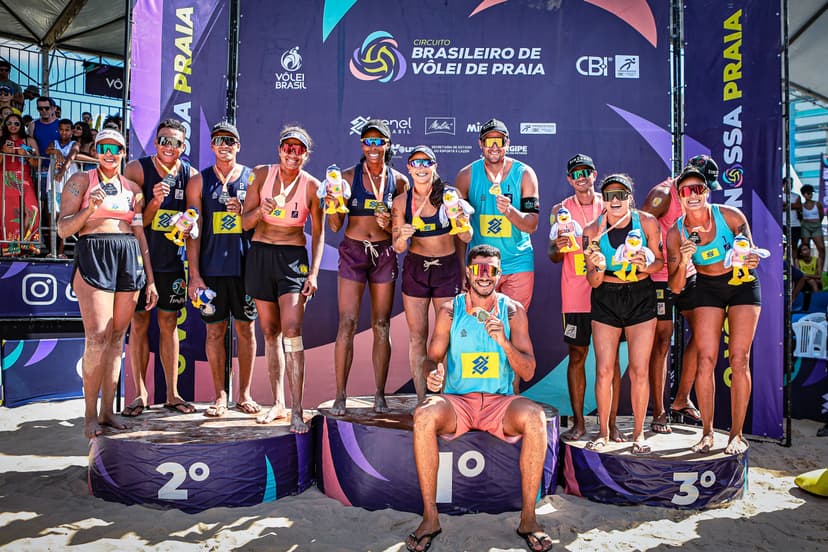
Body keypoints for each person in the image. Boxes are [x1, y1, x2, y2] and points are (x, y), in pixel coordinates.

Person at [405, 244, 552, 552]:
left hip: (499, 403)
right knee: (424, 414)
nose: (485, 276)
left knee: (536, 417)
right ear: (469, 273)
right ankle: (430, 517)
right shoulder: (450, 309)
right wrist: (435, 372)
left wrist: (505, 342)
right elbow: (432, 358)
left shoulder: (513, 311)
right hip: (458, 402)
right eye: (479, 270)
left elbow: (527, 370)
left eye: (492, 271)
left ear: (500, 276)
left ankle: (528, 518)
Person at [56, 128, 157, 438]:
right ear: (96, 150)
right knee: (97, 337)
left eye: (115, 148)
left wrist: (150, 279)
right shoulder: (81, 181)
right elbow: (62, 229)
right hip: (94, 252)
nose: (109, 153)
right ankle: (89, 415)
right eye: (104, 147)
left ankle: (107, 412)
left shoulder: (133, 188)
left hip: (128, 256)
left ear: (123, 152)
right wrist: (89, 208)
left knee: (116, 339)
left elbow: (140, 233)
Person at [667, 166, 766, 455]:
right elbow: (674, 287)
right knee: (706, 360)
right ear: (679, 197)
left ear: (707, 191)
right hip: (706, 287)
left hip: (741, 286)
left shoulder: (731, 217)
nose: (693, 195)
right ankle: (707, 433)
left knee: (739, 358)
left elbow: (751, 253)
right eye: (686, 191)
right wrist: (684, 259)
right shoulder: (676, 232)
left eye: (698, 189)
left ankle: (736, 434)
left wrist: (751, 260)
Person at [241, 125, 324, 433]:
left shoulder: (312, 186)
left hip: (292, 260)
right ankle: (279, 403)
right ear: (279, 150)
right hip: (260, 254)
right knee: (269, 330)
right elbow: (243, 222)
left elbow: (319, 233)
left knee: (292, 329)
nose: (292, 153)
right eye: (288, 148)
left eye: (299, 149)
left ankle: (298, 410)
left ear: (306, 154)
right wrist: (261, 212)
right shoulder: (261, 175)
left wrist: (313, 272)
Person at [327, 119, 407, 415]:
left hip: (384, 254)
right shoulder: (347, 177)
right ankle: (340, 396)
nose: (373, 148)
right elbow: (335, 226)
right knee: (347, 323)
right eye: (368, 142)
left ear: (388, 145)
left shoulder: (400, 181)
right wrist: (333, 204)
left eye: (379, 142)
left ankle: (379, 394)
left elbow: (400, 231)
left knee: (381, 325)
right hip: (353, 252)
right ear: (362, 145)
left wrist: (392, 224)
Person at [121, 118, 197, 417]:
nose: (169, 146)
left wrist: (190, 226)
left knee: (169, 324)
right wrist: (154, 201)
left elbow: (193, 221)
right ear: (155, 143)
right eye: (164, 140)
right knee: (139, 324)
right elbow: (135, 222)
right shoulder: (137, 169)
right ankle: (139, 395)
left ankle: (172, 395)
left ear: (182, 146)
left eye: (175, 142)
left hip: (171, 263)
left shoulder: (189, 175)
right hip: (139, 261)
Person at [583, 174, 663, 453]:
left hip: (641, 295)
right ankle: (603, 432)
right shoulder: (593, 230)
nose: (614, 200)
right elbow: (592, 280)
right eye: (609, 195)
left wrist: (646, 263)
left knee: (639, 371)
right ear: (602, 200)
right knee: (604, 370)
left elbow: (659, 262)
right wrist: (599, 267)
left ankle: (639, 434)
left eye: (621, 194)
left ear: (630, 196)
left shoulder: (648, 223)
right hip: (606, 296)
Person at [548, 153, 624, 442]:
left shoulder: (609, 205)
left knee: (611, 359)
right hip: (575, 293)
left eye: (586, 171)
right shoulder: (560, 209)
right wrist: (560, 244)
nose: (581, 177)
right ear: (569, 179)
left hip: (609, 288)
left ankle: (611, 423)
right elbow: (552, 255)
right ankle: (579, 423)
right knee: (577, 355)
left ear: (594, 174)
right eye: (575, 173)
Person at [640, 154, 719, 433]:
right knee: (662, 342)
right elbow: (640, 226)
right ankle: (659, 411)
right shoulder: (663, 194)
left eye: (705, 187)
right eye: (699, 184)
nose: (701, 192)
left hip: (689, 272)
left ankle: (682, 398)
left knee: (706, 332)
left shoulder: (701, 203)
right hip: (660, 277)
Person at [185, 121, 258, 418]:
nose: (225, 145)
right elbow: (193, 231)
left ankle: (245, 394)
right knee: (215, 332)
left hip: (245, 269)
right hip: (212, 270)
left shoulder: (253, 179)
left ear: (238, 146)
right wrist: (195, 276)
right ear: (212, 146)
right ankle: (219, 396)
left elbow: (262, 222)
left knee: (246, 330)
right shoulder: (198, 182)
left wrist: (244, 213)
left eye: (230, 140)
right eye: (219, 140)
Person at [391, 145, 471, 403]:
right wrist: (402, 236)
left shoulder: (450, 196)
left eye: (426, 162)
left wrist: (461, 220)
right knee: (417, 337)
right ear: (409, 169)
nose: (421, 168)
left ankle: (443, 398)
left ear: (435, 166)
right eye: (416, 163)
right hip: (416, 268)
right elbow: (398, 247)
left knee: (444, 336)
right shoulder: (401, 202)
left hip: (446, 269)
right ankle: (422, 399)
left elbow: (467, 236)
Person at [455, 118, 539, 309]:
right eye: (488, 141)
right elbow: (459, 228)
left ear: (507, 143)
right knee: (480, 324)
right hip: (480, 267)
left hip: (518, 263)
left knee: (514, 323)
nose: (494, 146)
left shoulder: (525, 174)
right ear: (480, 144)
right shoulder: (466, 175)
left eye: (499, 141)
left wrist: (509, 211)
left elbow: (532, 225)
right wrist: (461, 267)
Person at [1, 112, 40, 256]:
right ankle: (11, 248)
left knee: (33, 210)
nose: (13, 126)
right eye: (9, 123)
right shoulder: (1, 140)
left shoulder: (28, 141)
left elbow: (37, 163)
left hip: (24, 178)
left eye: (16, 123)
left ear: (21, 125)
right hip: (5, 177)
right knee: (10, 214)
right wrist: (3, 152)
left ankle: (28, 243)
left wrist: (27, 155)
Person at [799, 184, 823, 278]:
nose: (810, 195)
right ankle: (804, 268)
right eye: (808, 193)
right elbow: (800, 216)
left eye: (811, 193)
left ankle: (819, 268)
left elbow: (821, 215)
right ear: (804, 194)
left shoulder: (817, 204)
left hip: (816, 225)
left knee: (821, 248)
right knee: (805, 246)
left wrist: (816, 223)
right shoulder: (802, 205)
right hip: (805, 226)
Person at [783, 177, 802, 260]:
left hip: (795, 225)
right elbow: (779, 207)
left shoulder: (796, 196)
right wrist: (792, 205)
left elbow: (799, 206)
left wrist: (786, 205)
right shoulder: (779, 195)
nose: (789, 185)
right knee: (782, 245)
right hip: (782, 224)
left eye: (791, 183)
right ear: (783, 184)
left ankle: (793, 265)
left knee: (794, 246)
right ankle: (782, 264)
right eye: (787, 183)